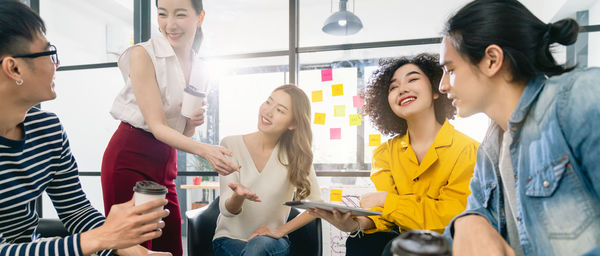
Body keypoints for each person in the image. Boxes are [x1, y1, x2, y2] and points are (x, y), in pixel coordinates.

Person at [0, 1, 171, 255]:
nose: (57, 63)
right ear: (14, 68)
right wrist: (101, 239)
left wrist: (131, 249)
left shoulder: (48, 130)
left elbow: (75, 211)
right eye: (50, 53)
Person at [438, 0, 600, 255]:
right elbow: (477, 213)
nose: (442, 85)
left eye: (450, 70)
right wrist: (467, 222)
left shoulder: (580, 99)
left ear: (492, 60)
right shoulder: (490, 150)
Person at [101, 0, 240, 255]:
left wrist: (191, 123)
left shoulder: (201, 68)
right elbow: (157, 126)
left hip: (166, 162)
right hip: (130, 155)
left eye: (180, 14)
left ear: (200, 17)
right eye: (162, 14)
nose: (169, 24)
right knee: (136, 248)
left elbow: (181, 132)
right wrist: (205, 151)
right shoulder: (143, 54)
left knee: (171, 245)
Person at [309, 54, 479, 256]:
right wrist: (355, 225)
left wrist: (387, 200)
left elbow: (451, 217)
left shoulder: (468, 149)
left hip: (451, 244)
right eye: (393, 87)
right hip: (403, 241)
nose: (402, 89)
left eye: (413, 79)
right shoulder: (384, 153)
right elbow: (384, 215)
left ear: (435, 90)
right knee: (362, 242)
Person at [212, 84, 322, 256]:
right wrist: (238, 196)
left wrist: (280, 231)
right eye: (268, 102)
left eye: (280, 110)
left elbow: (318, 206)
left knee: (258, 247)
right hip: (228, 239)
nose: (268, 112)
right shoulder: (230, 145)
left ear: (293, 123)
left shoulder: (297, 156)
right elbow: (227, 211)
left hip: (271, 243)